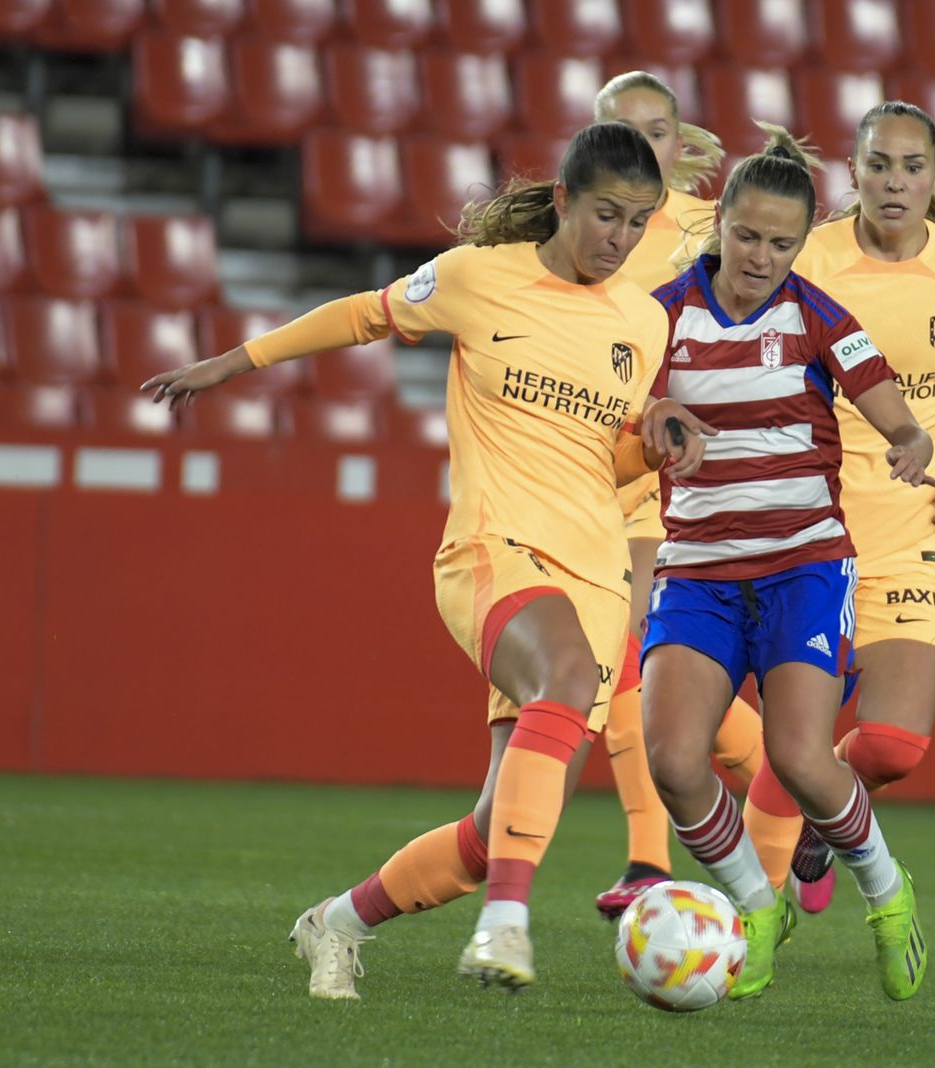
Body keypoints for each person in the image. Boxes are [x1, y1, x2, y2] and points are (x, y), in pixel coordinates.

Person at [140, 122, 712, 997]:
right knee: (561, 680)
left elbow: (606, 453)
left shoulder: (641, 319)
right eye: (606, 215)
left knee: (491, 837)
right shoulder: (480, 278)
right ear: (563, 201)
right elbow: (363, 313)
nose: (622, 239)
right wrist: (236, 361)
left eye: (639, 222)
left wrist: (655, 444)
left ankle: (334, 923)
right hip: (495, 549)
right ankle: (505, 927)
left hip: (599, 574)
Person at [640, 124, 934, 1002]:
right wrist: (648, 414)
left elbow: (890, 406)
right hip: (696, 570)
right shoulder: (658, 315)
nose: (761, 255)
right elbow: (618, 399)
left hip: (803, 565)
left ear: (801, 244)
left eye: (781, 242)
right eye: (747, 235)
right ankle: (754, 904)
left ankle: (887, 893)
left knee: (803, 758)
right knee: (674, 760)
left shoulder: (817, 316)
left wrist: (911, 438)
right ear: (719, 222)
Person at [742, 101, 935, 911]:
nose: (895, 183)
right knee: (794, 739)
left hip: (912, 534)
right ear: (853, 172)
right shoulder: (807, 259)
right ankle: (754, 921)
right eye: (879, 165)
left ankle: (823, 817)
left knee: (894, 746)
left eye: (913, 167)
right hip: (806, 533)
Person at [590, 71, 769, 918]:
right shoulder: (582, 227)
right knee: (630, 665)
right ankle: (783, 771)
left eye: (659, 130)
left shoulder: (707, 228)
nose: (645, 147)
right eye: (626, 132)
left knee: (625, 657)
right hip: (588, 456)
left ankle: (647, 859)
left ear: (679, 139)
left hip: (666, 469)